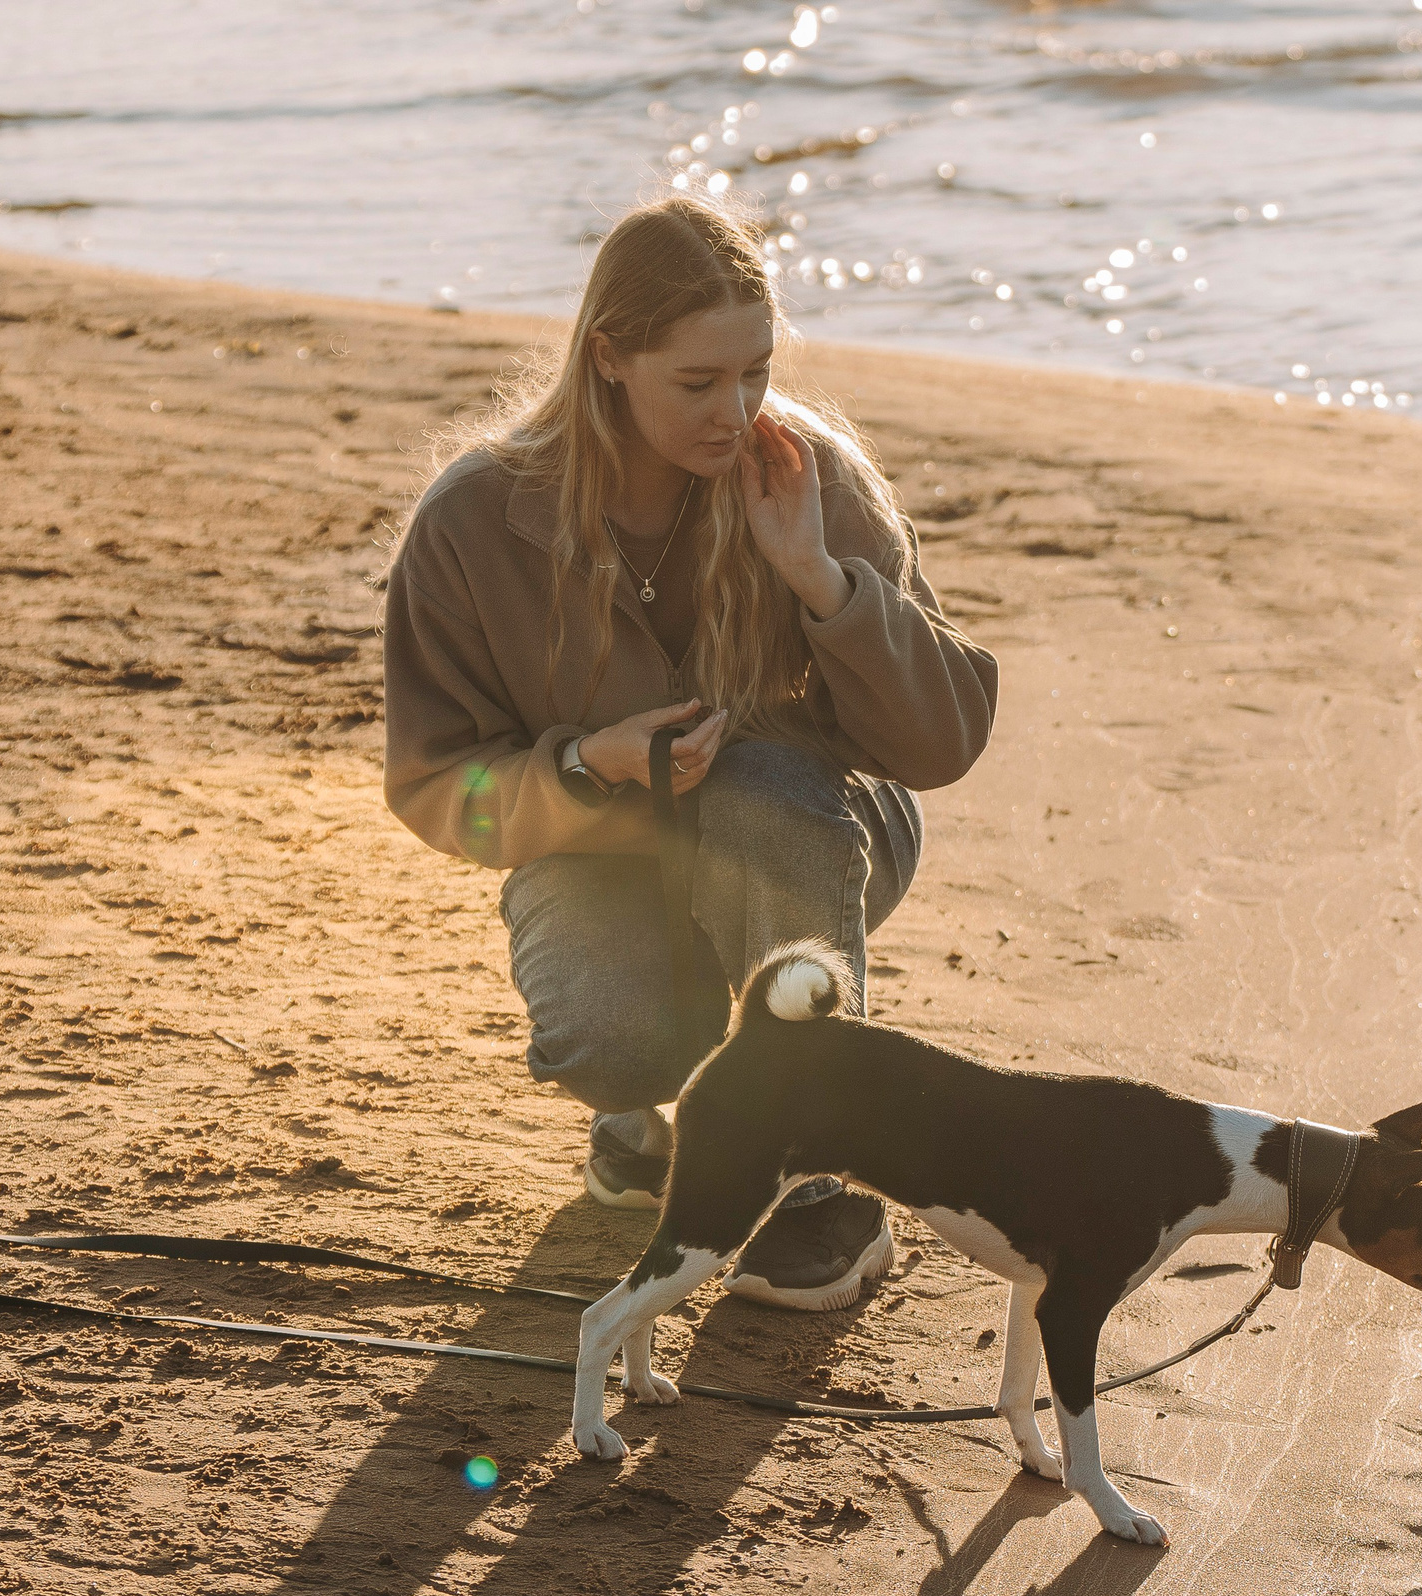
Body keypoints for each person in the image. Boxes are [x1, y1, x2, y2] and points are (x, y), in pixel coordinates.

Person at [380, 193, 998, 1311]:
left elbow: (941, 740)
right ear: (609, 358)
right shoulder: (473, 520)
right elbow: (434, 784)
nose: (739, 410)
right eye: (699, 383)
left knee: (763, 790)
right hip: (605, 846)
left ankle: (813, 1170)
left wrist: (819, 578)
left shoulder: (805, 476)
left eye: (756, 370)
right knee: (617, 1042)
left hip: (814, 835)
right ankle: (645, 1118)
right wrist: (584, 766)